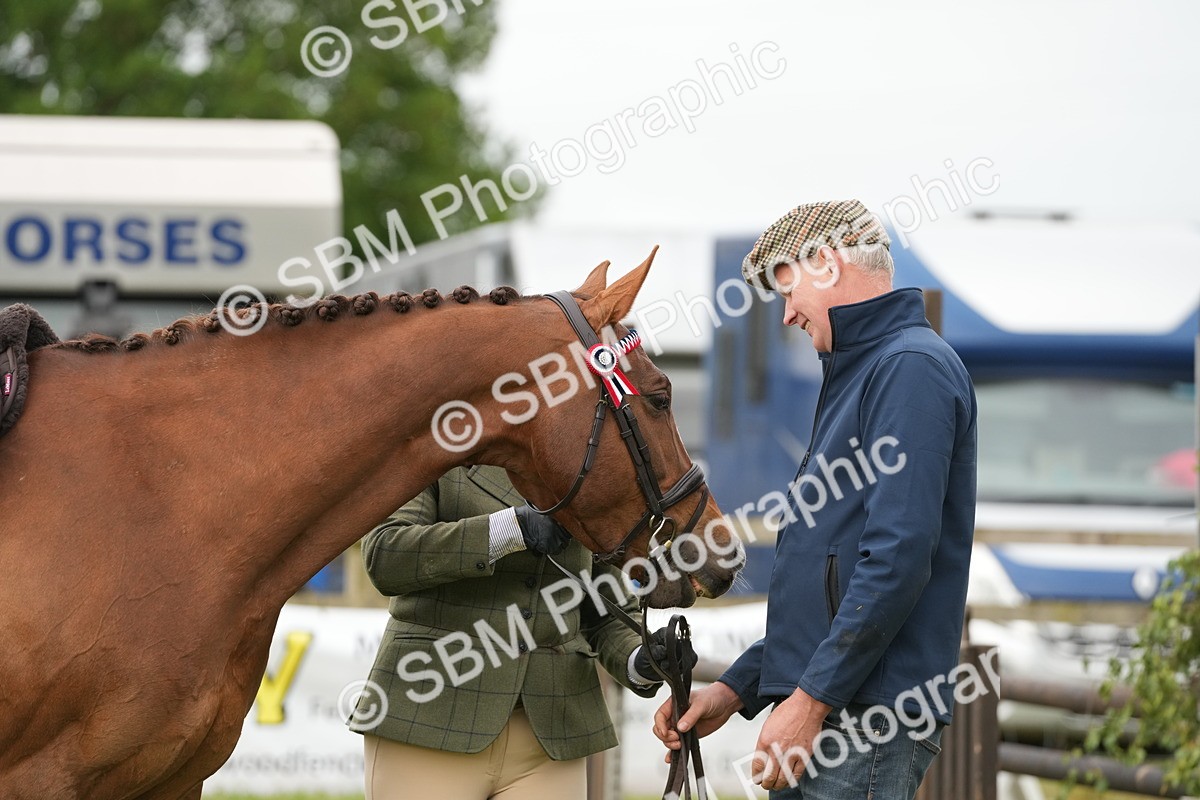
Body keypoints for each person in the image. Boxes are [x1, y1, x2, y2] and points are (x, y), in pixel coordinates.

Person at [653, 200, 978, 799]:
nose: (785, 315)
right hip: (840, 707)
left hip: (864, 719)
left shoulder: (909, 367)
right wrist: (736, 689)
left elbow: (898, 557)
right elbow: (827, 585)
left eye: (787, 291)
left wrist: (810, 702)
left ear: (828, 261)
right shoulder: (870, 368)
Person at [350, 464, 691, 800]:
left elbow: (603, 611)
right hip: (429, 720)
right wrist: (510, 530)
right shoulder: (436, 451)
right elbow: (385, 553)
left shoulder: (586, 473)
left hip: (551, 738)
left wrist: (641, 658)